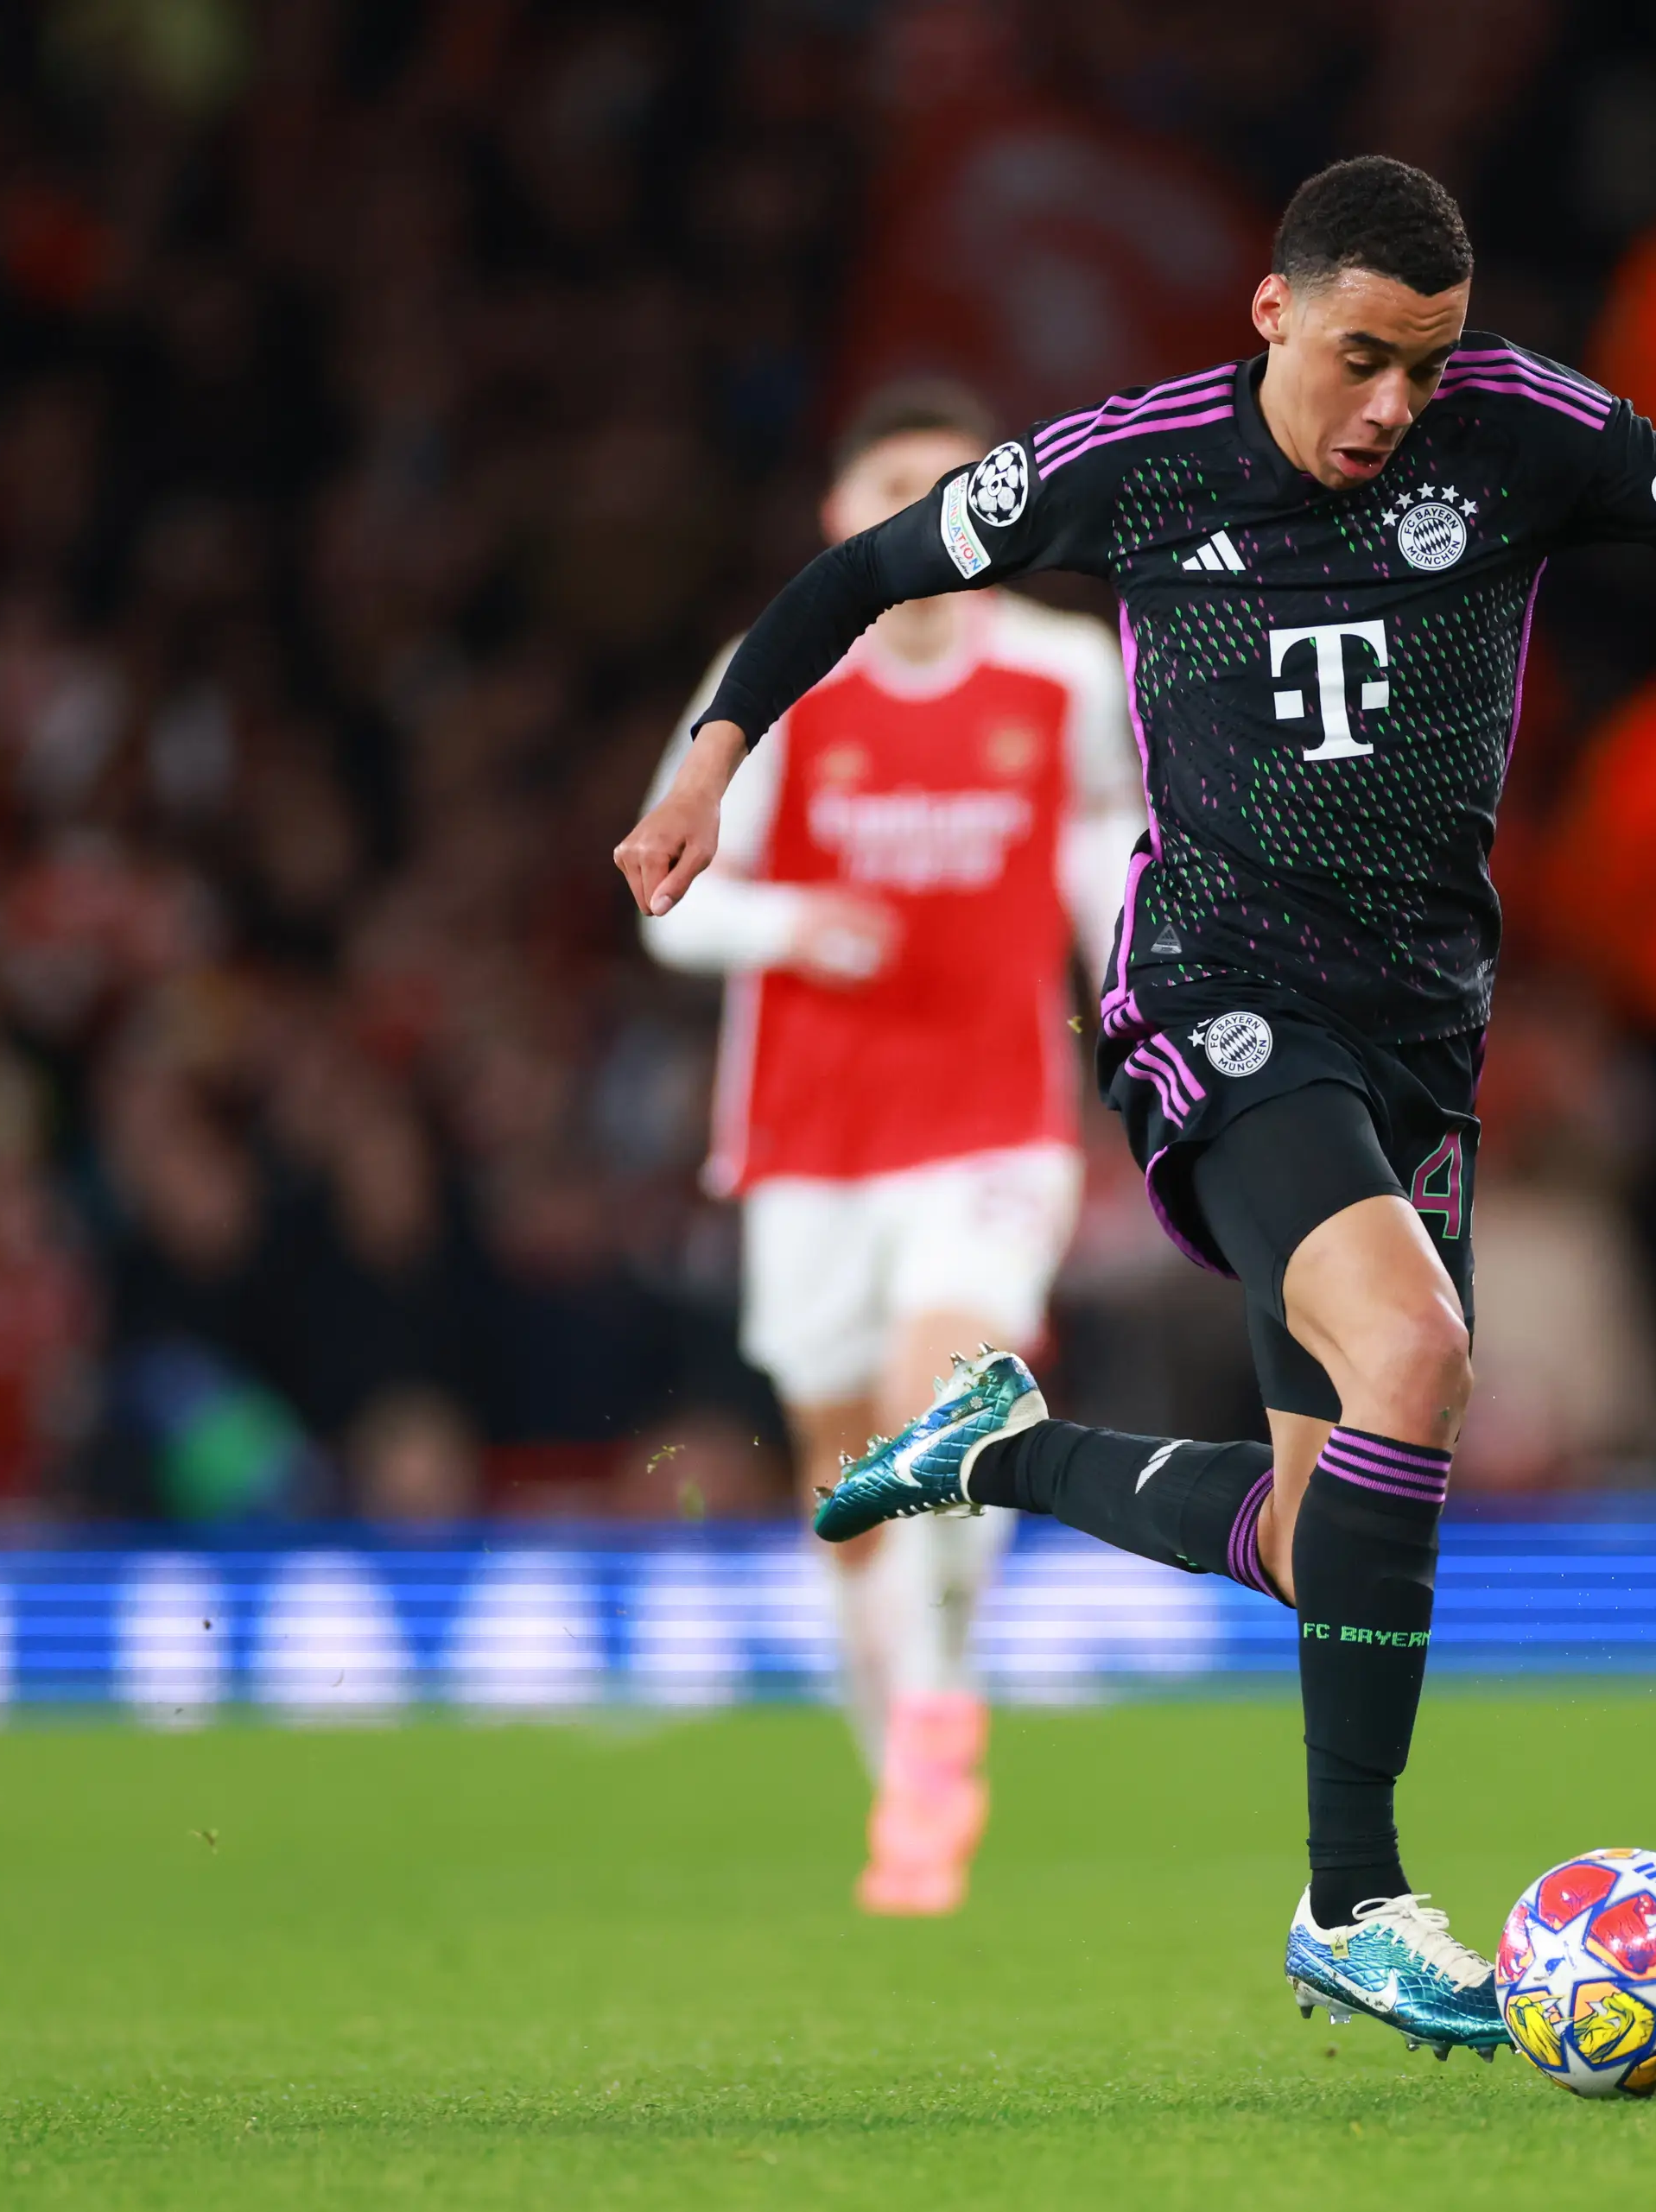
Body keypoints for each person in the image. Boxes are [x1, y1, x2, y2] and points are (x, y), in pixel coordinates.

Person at [619, 155, 1656, 2052]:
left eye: (1428, 366)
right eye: (1366, 356)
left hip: (1419, 1032)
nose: (1396, 404)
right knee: (1420, 1346)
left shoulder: (1523, 435)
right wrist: (718, 762)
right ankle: (1353, 1898)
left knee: (1327, 1527)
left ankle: (1003, 1450)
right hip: (1216, 990)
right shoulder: (1127, 463)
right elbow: (863, 573)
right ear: (1274, 313)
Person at [639, 380, 1135, 1916]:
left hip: (991, 1116)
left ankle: (935, 1712)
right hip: (810, 1136)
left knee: (948, 1376)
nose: (924, 515)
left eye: (955, 488)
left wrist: (1151, 979)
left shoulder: (1064, 674)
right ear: (839, 519)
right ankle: (910, 1754)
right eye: (893, 487)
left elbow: (1108, 850)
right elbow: (669, 895)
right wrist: (796, 919)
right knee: (846, 1477)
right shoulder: (773, 676)